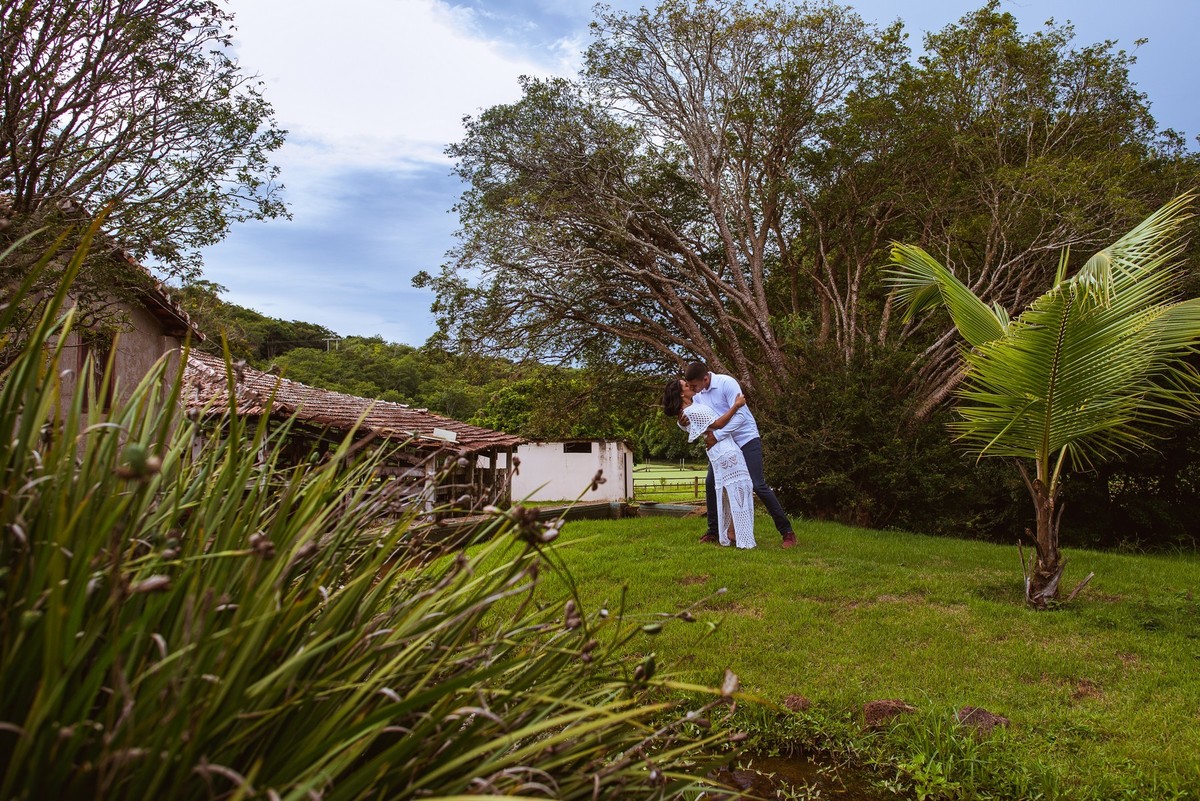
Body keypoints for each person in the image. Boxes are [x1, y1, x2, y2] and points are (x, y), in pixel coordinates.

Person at [683, 361, 797, 547]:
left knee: (758, 485)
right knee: (711, 483)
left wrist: (717, 435)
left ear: (705, 378)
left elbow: (741, 416)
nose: (693, 389)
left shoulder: (727, 383)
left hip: (745, 439)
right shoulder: (699, 395)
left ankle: (787, 532)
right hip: (725, 446)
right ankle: (713, 531)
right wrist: (684, 422)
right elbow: (700, 421)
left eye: (695, 385)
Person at [662, 379, 755, 549]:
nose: (690, 386)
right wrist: (736, 405)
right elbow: (718, 424)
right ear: (682, 393)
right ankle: (735, 534)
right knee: (739, 489)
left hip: (723, 449)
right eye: (686, 385)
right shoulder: (691, 411)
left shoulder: (692, 407)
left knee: (736, 490)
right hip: (724, 450)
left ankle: (732, 532)